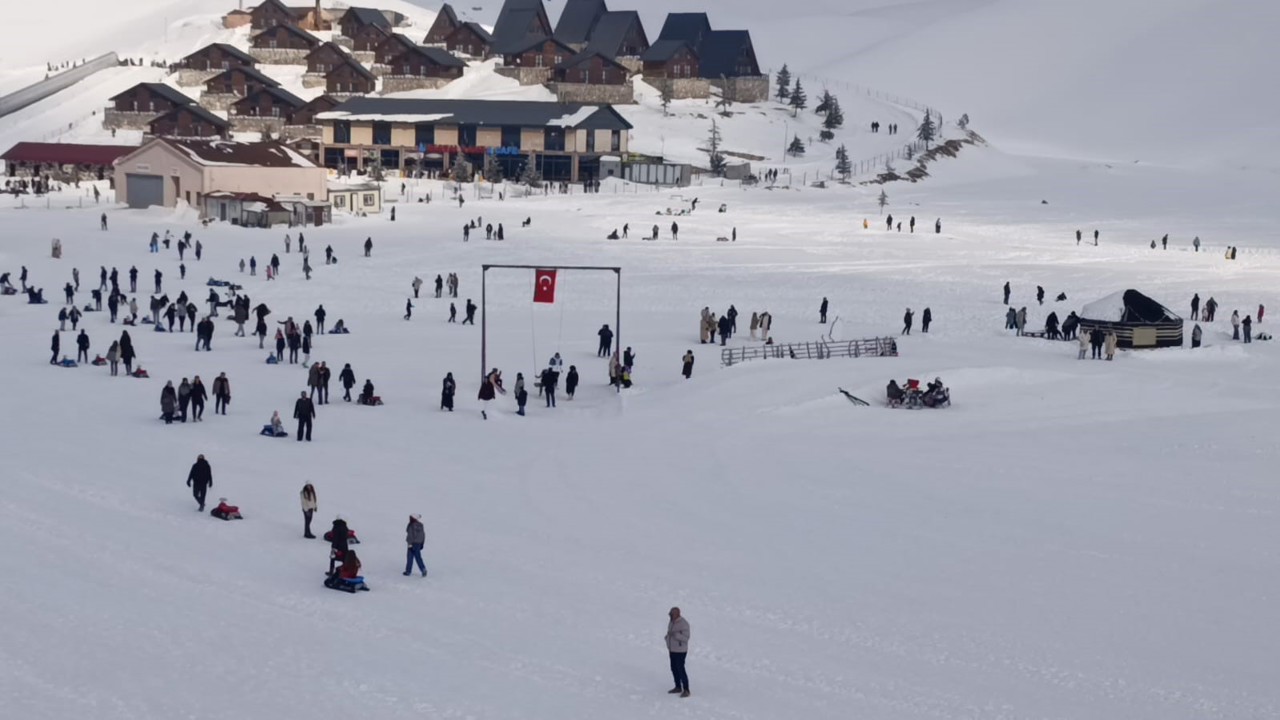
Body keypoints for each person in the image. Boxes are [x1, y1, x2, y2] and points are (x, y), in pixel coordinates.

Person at [665, 607, 691, 697]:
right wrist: (667, 638)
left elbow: (686, 638)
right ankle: (678, 686)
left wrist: (676, 635)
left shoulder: (684, 624)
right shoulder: (671, 622)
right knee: (674, 668)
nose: (670, 616)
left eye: (672, 614)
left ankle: (686, 689)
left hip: (680, 651)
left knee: (681, 669)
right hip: (672, 650)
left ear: (677, 614)